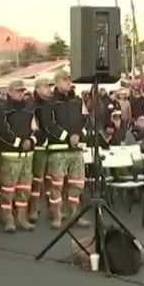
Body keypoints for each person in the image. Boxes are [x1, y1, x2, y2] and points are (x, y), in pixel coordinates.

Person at [40, 70, 88, 229]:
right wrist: (67, 137)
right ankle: (57, 216)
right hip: (58, 150)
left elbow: (85, 120)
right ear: (57, 82)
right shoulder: (49, 103)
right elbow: (49, 125)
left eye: (70, 79)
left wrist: (79, 135)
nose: (69, 82)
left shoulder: (78, 100)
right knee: (56, 186)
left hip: (76, 150)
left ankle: (75, 215)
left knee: (77, 184)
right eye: (65, 80)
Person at [0, 80, 38, 232]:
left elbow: (36, 129)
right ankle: (8, 219)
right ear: (9, 92)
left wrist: (31, 141)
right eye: (17, 90)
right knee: (8, 190)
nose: (20, 93)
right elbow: (2, 131)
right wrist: (19, 143)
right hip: (10, 155)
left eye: (22, 91)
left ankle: (21, 218)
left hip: (27, 156)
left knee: (24, 189)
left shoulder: (29, 110)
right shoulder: (2, 109)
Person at [29, 77, 54, 223]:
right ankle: (33, 209)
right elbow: (32, 125)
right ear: (37, 88)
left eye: (50, 87)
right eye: (45, 87)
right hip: (39, 147)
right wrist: (40, 138)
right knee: (37, 180)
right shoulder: (32, 105)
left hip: (50, 145)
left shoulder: (50, 104)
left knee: (50, 181)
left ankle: (53, 208)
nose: (49, 89)